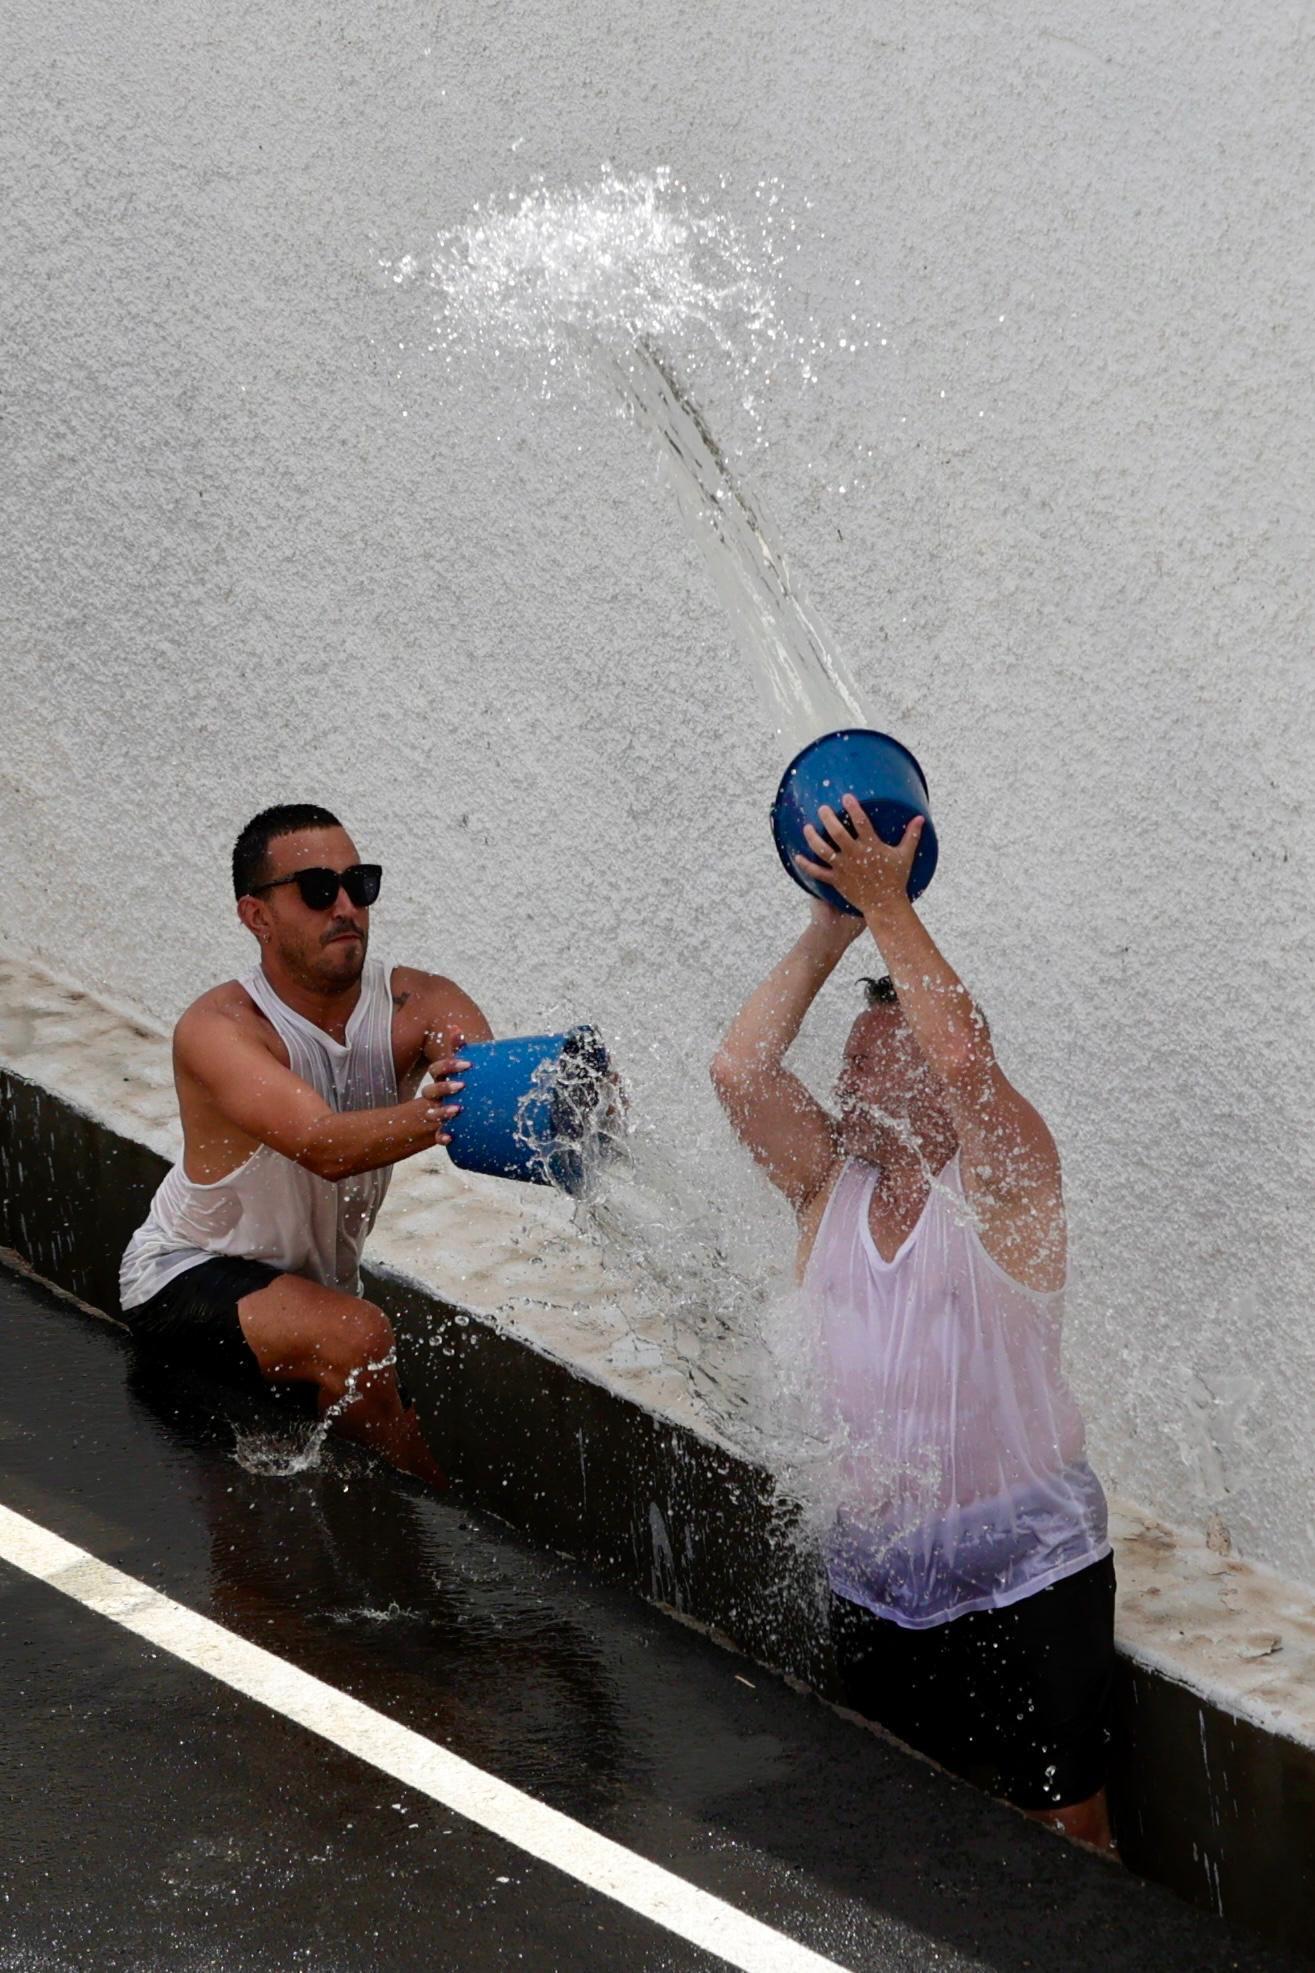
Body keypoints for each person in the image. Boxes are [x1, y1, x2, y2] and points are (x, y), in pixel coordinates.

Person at [711, 795, 1115, 1847]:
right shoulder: (825, 1188)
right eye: (847, 1058)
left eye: (869, 1060)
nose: (842, 1077)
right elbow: (738, 1070)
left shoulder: (1006, 1193)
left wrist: (890, 902)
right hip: (877, 1579)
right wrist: (831, 925)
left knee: (1064, 1839)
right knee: (902, 1835)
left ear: (931, 1085)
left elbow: (968, 1059)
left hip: (1029, 1569)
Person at [119, 802, 493, 1486]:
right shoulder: (222, 1028)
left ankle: (397, 1529)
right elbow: (323, 1146)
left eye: (360, 884)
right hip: (184, 1277)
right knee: (359, 1339)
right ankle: (437, 1527)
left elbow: (493, 1096)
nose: (346, 906)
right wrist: (446, 1110)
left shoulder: (418, 1005)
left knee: (359, 1430)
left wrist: (573, 1103)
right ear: (256, 916)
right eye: (318, 889)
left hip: (313, 1294)